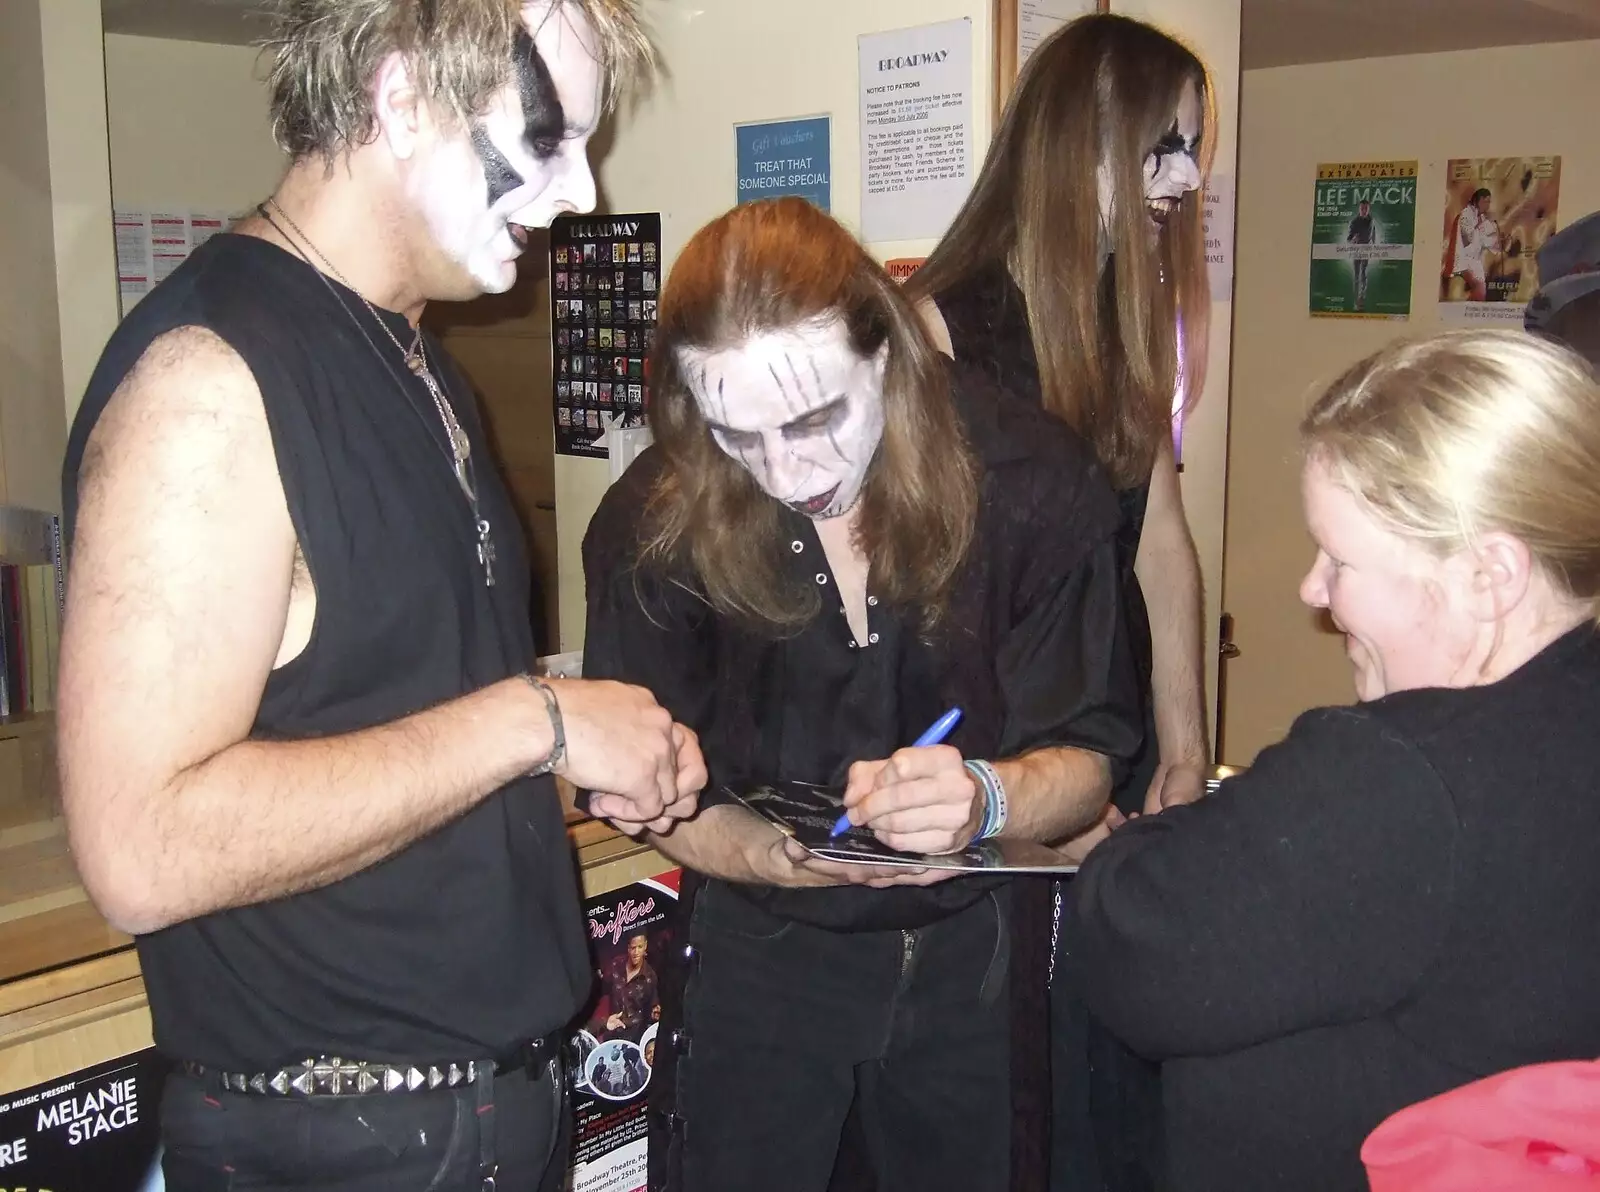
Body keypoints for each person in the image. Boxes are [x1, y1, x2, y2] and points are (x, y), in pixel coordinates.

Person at [56, 3, 703, 1190]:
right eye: (549, 139)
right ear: (402, 100)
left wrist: (573, 741)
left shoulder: (419, 361)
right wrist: (538, 720)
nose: (580, 195)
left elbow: (378, 706)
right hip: (337, 1144)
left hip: (475, 1117)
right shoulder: (207, 386)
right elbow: (138, 847)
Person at [581, 196, 1142, 1192]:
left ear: (884, 353)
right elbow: (660, 790)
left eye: (814, 420)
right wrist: (763, 851)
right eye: (738, 436)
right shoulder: (654, 522)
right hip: (760, 948)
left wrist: (989, 796)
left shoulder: (1029, 481)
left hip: (970, 956)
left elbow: (1091, 756)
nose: (788, 472)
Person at [1065, 328, 1600, 1191]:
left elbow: (1136, 948)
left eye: (1340, 559)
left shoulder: (1399, 776)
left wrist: (1138, 842)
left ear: (1488, 577)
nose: (1313, 591)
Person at [904, 14, 1214, 1190]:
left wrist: (1182, 753)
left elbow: (1163, 543)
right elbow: (931, 615)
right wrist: (1050, 811)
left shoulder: (1124, 323)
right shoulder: (937, 329)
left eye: (1189, 152)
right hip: (995, 805)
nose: (1183, 185)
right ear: (1079, 139)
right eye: (1162, 149)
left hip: (1114, 785)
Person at [601, 931, 659, 1041]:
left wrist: (655, 1012)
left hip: (634, 1037)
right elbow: (601, 989)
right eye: (633, 948)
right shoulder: (616, 964)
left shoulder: (650, 977)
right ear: (628, 948)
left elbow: (652, 1009)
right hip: (611, 1030)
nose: (636, 952)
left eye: (640, 947)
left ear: (645, 946)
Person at [1446, 187, 1497, 302]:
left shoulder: (1483, 218)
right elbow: (1467, 237)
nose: (1487, 205)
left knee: (1482, 291)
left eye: (1489, 202)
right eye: (1485, 201)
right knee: (1479, 288)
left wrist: (1499, 242)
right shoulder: (1465, 214)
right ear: (1477, 201)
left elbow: (1486, 240)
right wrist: (1479, 224)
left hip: (1476, 262)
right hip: (1464, 260)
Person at [1347, 199, 1375, 312]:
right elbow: (1348, 239)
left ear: (1369, 209)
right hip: (1356, 250)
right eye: (1362, 208)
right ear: (1359, 209)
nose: (1364, 210)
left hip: (1367, 250)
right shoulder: (1354, 222)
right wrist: (1353, 239)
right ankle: (1355, 300)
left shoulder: (1372, 220)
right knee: (1357, 276)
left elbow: (1373, 234)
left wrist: (1374, 247)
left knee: (1364, 274)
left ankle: (1362, 298)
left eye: (1366, 208)